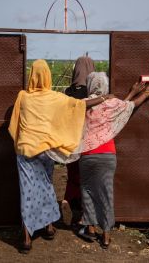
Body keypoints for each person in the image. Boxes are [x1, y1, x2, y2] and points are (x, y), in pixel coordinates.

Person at [8, 60, 113, 253]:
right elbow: (78, 106)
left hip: (25, 151)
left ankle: (27, 237)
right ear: (47, 76)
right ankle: (48, 227)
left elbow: (14, 127)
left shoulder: (22, 97)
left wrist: (22, 143)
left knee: (27, 192)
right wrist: (103, 99)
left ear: (32, 75)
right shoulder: (55, 98)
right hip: (46, 151)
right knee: (46, 186)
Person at [77, 72, 149, 249]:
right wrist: (145, 93)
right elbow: (127, 106)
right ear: (104, 85)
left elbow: (120, 107)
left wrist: (132, 92)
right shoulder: (111, 103)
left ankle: (90, 228)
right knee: (106, 193)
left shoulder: (83, 104)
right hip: (107, 155)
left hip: (87, 154)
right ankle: (105, 235)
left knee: (87, 190)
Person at [62, 56, 95, 225]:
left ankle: (67, 200)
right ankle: (83, 211)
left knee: (72, 175)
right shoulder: (91, 93)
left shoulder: (68, 93)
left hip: (69, 140)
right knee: (86, 178)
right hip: (87, 141)